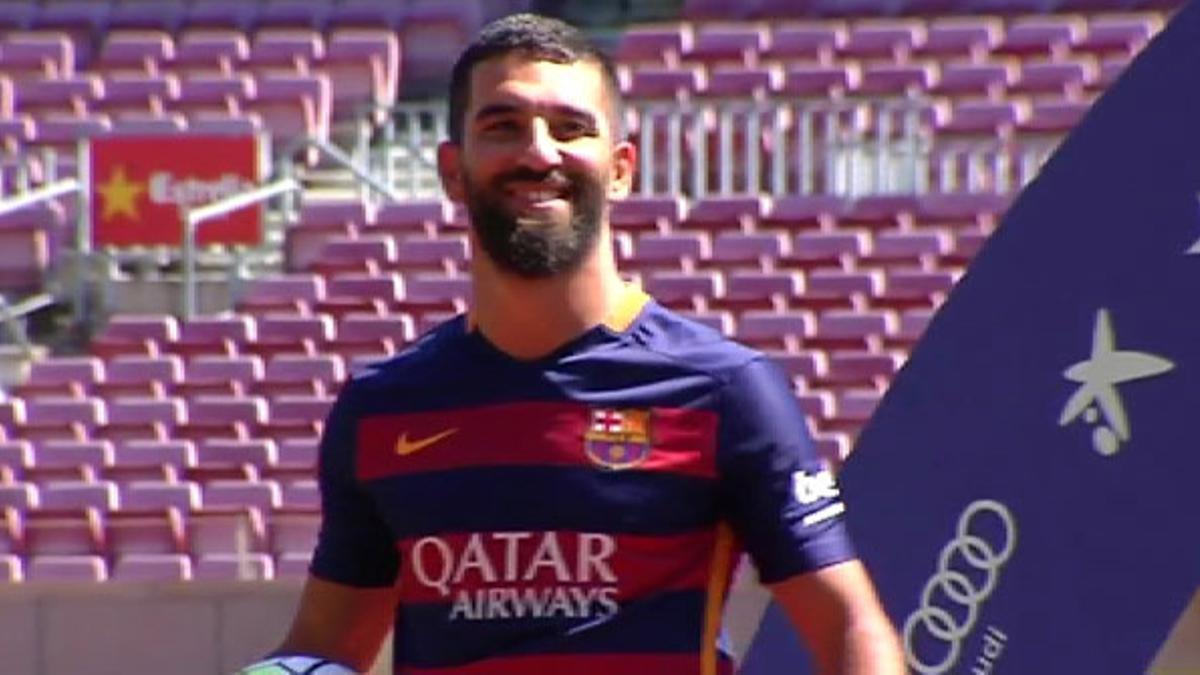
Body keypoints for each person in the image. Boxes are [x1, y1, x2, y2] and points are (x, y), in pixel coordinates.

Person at [250, 13, 905, 675]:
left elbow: (850, 624)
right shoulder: (382, 409)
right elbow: (325, 653)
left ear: (620, 169)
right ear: (452, 170)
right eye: (502, 126)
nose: (538, 153)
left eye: (571, 128)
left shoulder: (723, 389)